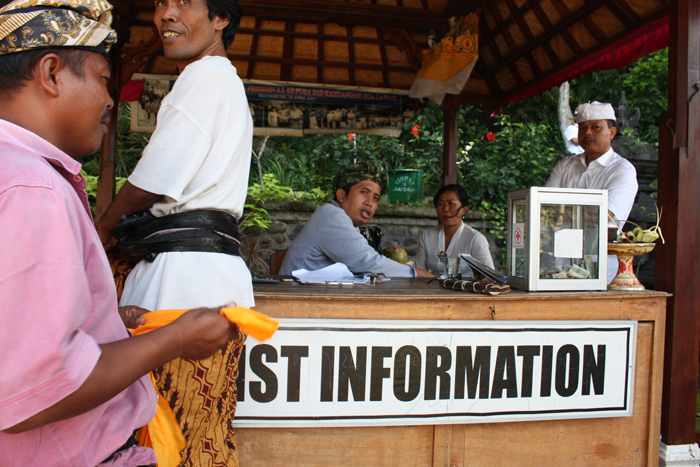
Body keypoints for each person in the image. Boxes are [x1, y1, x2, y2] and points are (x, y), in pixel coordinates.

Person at [0, 0, 239, 465]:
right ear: (52, 74)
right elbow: (39, 386)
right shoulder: (33, 189)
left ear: (220, 19)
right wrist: (175, 340)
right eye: (103, 80)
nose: (111, 100)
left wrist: (106, 320)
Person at [95, 0, 253, 464]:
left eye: (184, 1)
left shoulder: (204, 77)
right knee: (201, 431)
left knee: (166, 432)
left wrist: (103, 227)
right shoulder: (225, 81)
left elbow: (153, 179)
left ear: (221, 19)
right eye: (161, 2)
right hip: (209, 275)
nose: (166, 13)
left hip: (181, 281)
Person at [280, 162, 433, 277]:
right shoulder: (332, 216)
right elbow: (368, 263)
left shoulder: (346, 222)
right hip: (292, 300)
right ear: (341, 195)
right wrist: (416, 273)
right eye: (364, 192)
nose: (370, 202)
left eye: (375, 198)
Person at [546, 101, 638, 284]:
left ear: (612, 132)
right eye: (582, 128)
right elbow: (546, 208)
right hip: (558, 262)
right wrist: (567, 214)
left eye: (596, 127)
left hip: (599, 265)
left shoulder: (622, 170)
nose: (587, 132)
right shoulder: (565, 166)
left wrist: (563, 213)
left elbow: (602, 216)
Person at [416, 185, 494, 277]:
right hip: (433, 286)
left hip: (465, 286)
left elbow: (489, 277)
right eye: (440, 204)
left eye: (451, 203)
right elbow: (418, 271)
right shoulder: (427, 235)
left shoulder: (475, 239)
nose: (445, 209)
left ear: (464, 210)